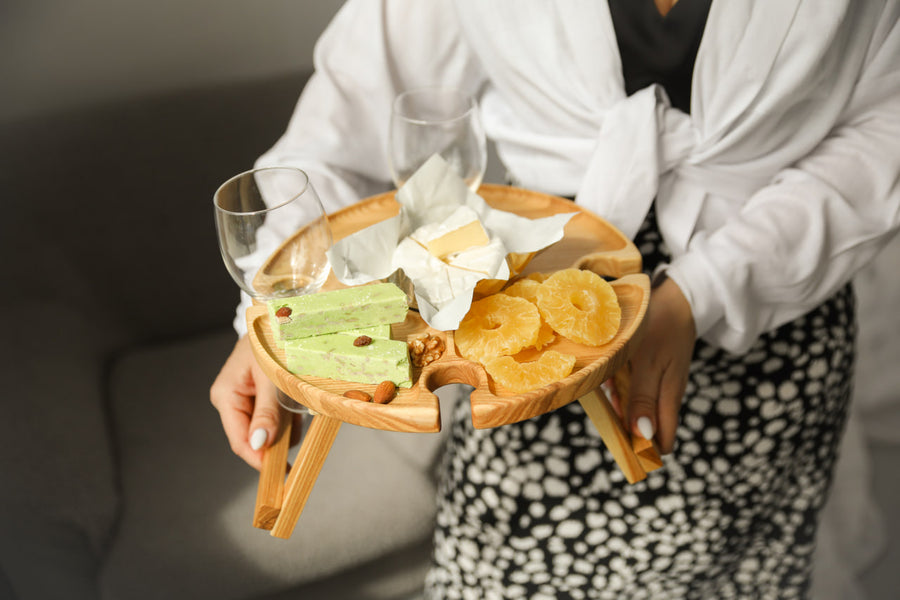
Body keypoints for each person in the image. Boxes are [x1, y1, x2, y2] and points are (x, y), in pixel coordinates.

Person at [210, 1, 900, 597]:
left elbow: (884, 130)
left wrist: (706, 291)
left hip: (771, 309)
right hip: (533, 321)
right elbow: (352, 115)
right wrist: (278, 312)